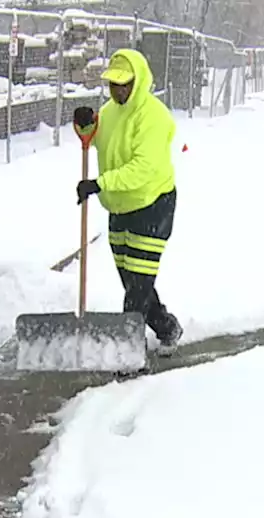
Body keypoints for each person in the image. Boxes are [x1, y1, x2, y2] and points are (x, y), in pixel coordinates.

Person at [73, 48, 183, 352]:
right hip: (119, 206)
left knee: (137, 287)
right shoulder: (109, 112)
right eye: (113, 84)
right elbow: (95, 137)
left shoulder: (153, 117)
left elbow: (142, 169)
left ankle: (127, 353)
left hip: (152, 205)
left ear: (138, 81)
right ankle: (167, 327)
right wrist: (86, 126)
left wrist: (100, 183)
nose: (118, 90)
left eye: (124, 84)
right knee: (132, 281)